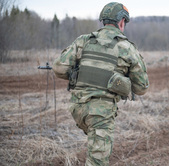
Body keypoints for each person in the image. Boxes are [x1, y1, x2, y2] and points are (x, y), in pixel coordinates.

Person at [52, 2, 149, 165]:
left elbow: (58, 68)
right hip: (100, 114)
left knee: (94, 147)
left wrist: (77, 74)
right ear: (121, 22)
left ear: (104, 21)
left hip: (77, 109)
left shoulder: (84, 40)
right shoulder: (127, 48)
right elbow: (141, 88)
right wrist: (122, 81)